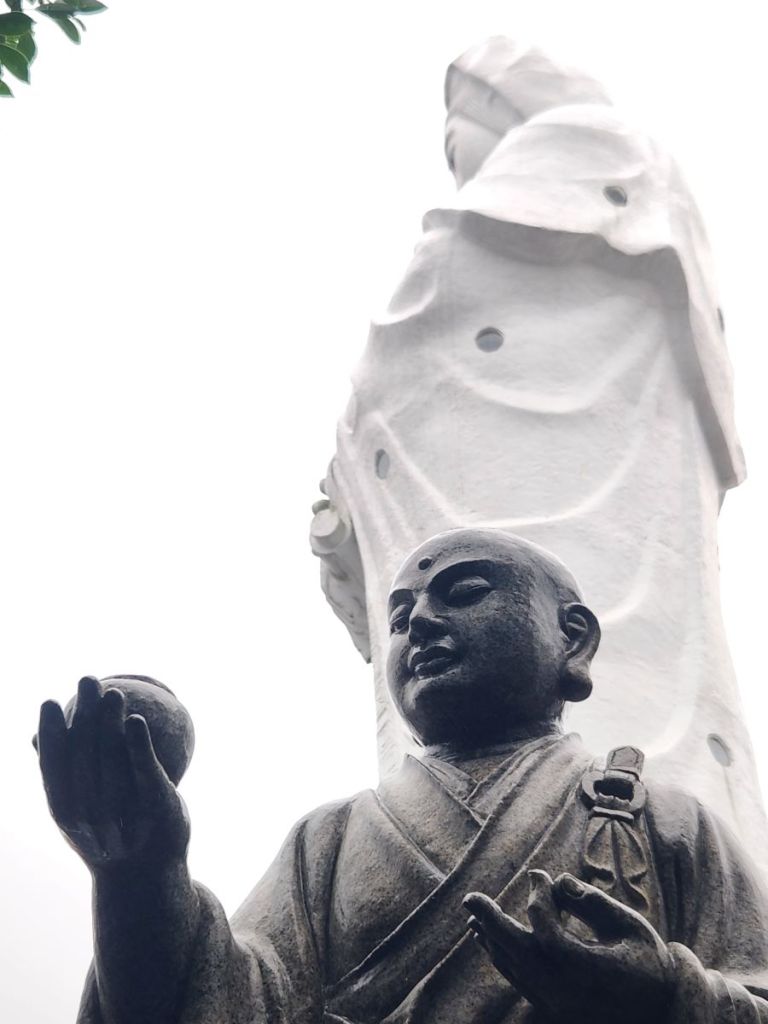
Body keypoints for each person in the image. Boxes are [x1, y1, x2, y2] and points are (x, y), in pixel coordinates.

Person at [311, 38, 765, 868]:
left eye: (458, 134)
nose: (459, 167)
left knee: (597, 679)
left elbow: (435, 299)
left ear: (504, 106)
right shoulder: (318, 855)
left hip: (590, 483)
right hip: (475, 467)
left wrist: (369, 419)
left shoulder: (588, 146)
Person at [36, 529, 768, 1022]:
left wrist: (670, 998)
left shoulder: (661, 821)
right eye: (398, 615)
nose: (417, 622)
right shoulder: (330, 839)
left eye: (464, 591)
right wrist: (139, 875)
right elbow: (225, 1001)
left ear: (572, 639)